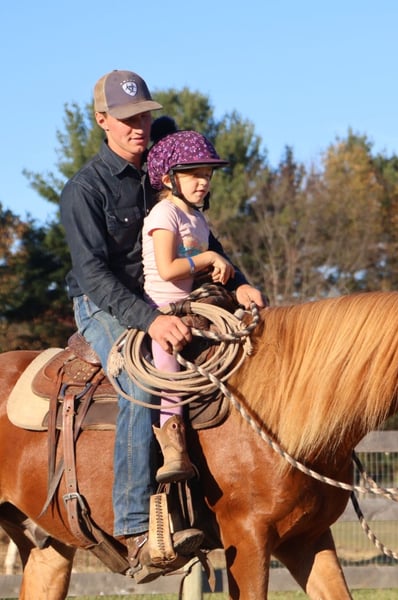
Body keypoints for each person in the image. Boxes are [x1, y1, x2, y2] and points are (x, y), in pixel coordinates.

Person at [59, 70, 264, 580]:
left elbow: (203, 242)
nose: (139, 127)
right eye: (127, 119)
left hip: (167, 298)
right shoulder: (84, 190)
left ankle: (214, 502)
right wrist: (151, 321)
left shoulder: (163, 175)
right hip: (105, 304)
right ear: (102, 120)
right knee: (140, 383)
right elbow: (94, 276)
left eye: (145, 117)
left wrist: (239, 283)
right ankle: (134, 529)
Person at [143, 130, 253, 484]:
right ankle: (172, 449)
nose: (203, 182)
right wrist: (209, 258)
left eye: (207, 175)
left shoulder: (197, 219)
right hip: (163, 308)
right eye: (193, 175)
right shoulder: (164, 214)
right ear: (168, 179)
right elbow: (167, 269)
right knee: (170, 372)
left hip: (192, 305)